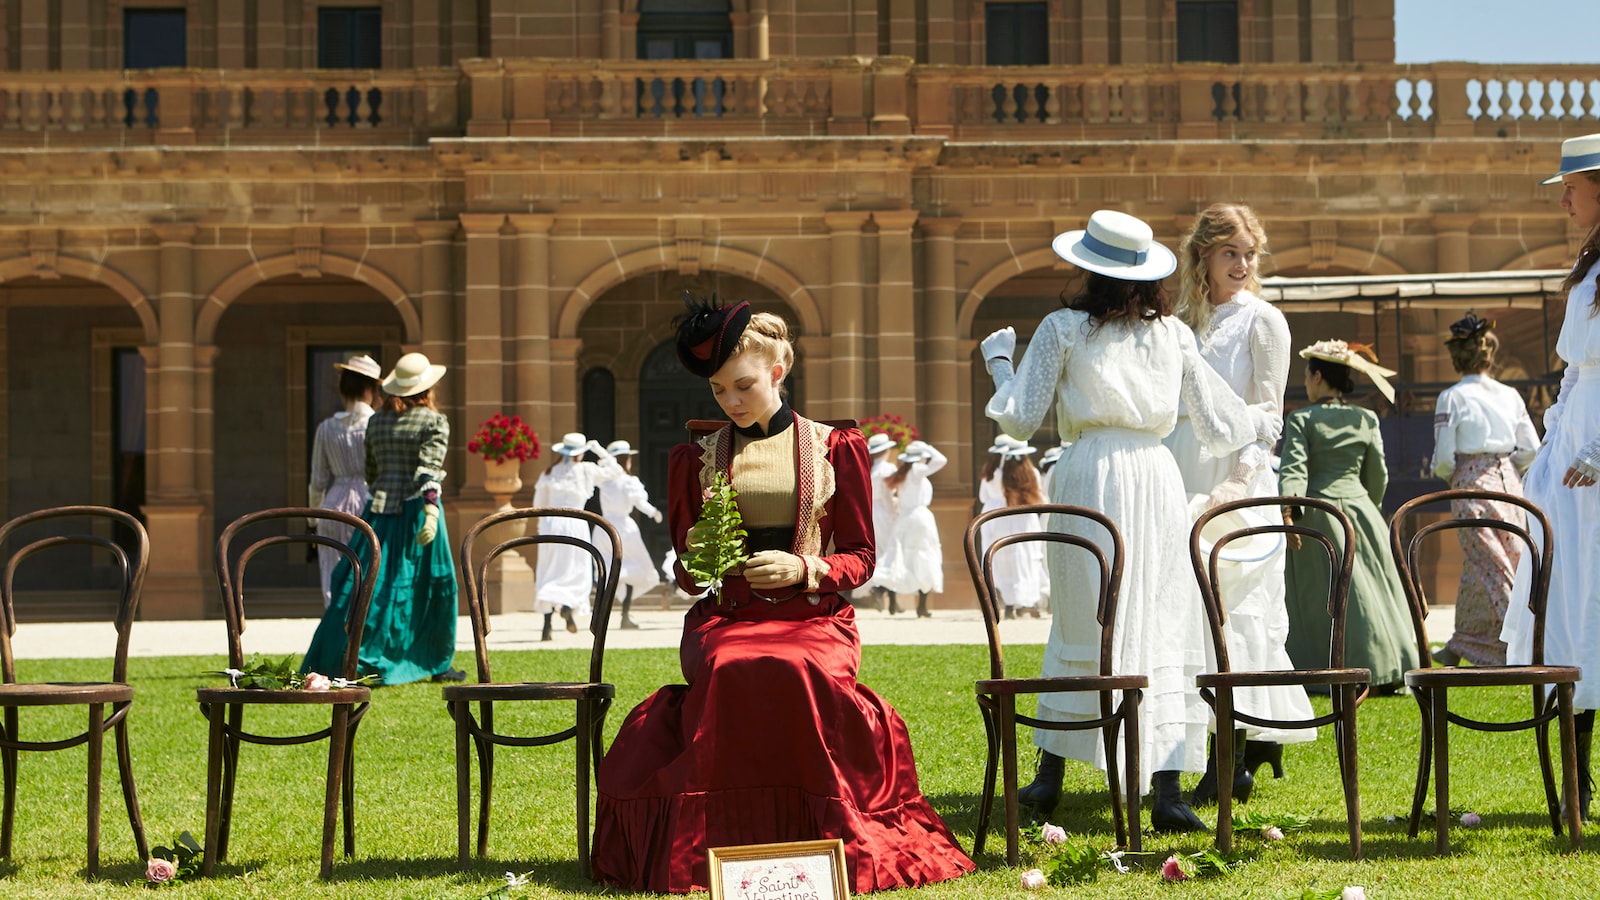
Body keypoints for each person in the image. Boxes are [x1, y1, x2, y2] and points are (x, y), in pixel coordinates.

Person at [592, 298, 974, 893]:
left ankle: (820, 839)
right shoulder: (697, 457)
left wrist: (805, 567)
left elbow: (861, 558)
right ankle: (726, 849)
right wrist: (699, 558)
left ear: (778, 369)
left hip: (817, 617)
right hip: (728, 618)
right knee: (728, 665)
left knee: (800, 667)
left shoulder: (835, 446)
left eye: (742, 385)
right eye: (719, 392)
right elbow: (691, 578)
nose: (731, 402)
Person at [981, 209, 1273, 833]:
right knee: (1162, 618)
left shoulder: (1063, 328)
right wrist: (1263, 418)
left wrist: (999, 362)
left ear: (1087, 269)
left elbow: (1017, 418)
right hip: (1156, 475)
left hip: (1089, 474)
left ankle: (1048, 777)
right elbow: (1223, 423)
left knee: (1084, 616)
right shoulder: (1173, 335)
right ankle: (1165, 789)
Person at [1169, 203, 1315, 805]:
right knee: (1185, 617)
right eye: (1231, 251)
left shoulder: (1264, 322)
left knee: (1236, 616)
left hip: (1238, 479)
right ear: (1202, 254)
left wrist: (1239, 482)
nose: (1243, 263)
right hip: (1180, 469)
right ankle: (1188, 750)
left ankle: (1237, 750)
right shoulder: (1178, 318)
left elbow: (1269, 417)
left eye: (1250, 253)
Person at [1503, 132, 1600, 820]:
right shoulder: (1590, 263)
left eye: (1573, 185)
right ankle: (1576, 779)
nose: (1564, 197)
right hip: (1568, 453)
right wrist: (1553, 441)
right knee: (1568, 605)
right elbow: (1574, 371)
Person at [302, 352, 460, 685]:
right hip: (418, 511)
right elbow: (428, 471)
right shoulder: (433, 421)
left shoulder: (378, 421)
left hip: (379, 511)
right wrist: (430, 510)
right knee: (430, 583)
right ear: (427, 389)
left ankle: (351, 653)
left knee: (367, 585)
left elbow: (372, 474)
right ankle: (431, 659)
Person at [1280, 340, 1418, 692]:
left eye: (1308, 376)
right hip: (1361, 509)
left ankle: (1329, 669)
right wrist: (1365, 506)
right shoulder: (1365, 418)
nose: (1306, 383)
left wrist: (1290, 512)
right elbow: (1378, 475)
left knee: (1328, 593)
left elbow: (1294, 470)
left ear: (1319, 376)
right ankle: (1386, 665)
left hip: (1320, 511)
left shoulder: (1301, 419)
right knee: (1371, 591)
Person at [1431, 313, 1539, 667]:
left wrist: (1452, 474)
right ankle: (1463, 642)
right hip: (1510, 481)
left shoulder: (1452, 397)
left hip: (1472, 482)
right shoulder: (1510, 394)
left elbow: (1444, 456)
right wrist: (1508, 468)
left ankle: (1523, 644)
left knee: (1492, 565)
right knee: (1501, 560)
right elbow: (1531, 448)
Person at [532, 432, 622, 642]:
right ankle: (566, 607)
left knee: (549, 569)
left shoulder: (548, 472)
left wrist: (540, 529)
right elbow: (615, 471)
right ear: (580, 453)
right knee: (574, 568)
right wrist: (599, 450)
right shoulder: (586, 470)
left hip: (551, 524)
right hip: (575, 523)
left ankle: (547, 624)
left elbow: (538, 505)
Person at [307, 354, 381, 608]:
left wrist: (312, 519)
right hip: (368, 502)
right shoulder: (377, 425)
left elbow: (317, 480)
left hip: (333, 504)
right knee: (368, 571)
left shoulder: (326, 428)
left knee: (332, 575)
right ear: (370, 389)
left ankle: (335, 633)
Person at [589, 439, 663, 631]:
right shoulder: (628, 481)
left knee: (606, 569)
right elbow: (639, 502)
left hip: (603, 527)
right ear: (626, 460)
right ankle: (623, 615)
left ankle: (600, 616)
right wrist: (653, 512)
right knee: (632, 569)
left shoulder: (605, 479)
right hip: (623, 528)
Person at [875, 439, 948, 618]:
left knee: (899, 557)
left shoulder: (903, 472)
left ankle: (892, 600)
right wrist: (928, 447)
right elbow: (941, 460)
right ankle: (921, 606)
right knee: (923, 557)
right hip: (919, 518)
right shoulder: (916, 470)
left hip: (905, 518)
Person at [988, 442, 1047, 620]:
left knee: (1008, 561)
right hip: (1025, 517)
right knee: (1028, 559)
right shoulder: (1032, 473)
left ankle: (1011, 603)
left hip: (1006, 518)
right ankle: (1027, 603)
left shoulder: (999, 474)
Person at [863, 431, 898, 611]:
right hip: (884, 512)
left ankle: (891, 599)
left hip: (871, 512)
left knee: (878, 553)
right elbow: (887, 496)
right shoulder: (888, 469)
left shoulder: (868, 469)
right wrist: (894, 513)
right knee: (890, 553)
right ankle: (882, 590)